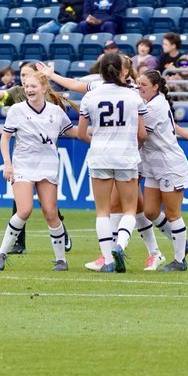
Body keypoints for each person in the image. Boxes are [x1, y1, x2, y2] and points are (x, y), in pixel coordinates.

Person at [0, 63, 79, 272]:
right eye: (26, 86)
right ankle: (1, 253)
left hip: (48, 166)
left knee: (50, 212)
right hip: (23, 165)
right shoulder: (17, 110)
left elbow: (74, 132)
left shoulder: (55, 112)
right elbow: (4, 139)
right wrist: (7, 163)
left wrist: (97, 131)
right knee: (24, 210)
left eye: (33, 86)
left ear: (43, 87)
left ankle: (61, 260)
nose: (28, 90)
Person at [76, 51, 148, 272]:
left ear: (100, 71)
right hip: (126, 157)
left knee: (102, 211)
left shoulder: (90, 96)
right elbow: (143, 134)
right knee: (129, 210)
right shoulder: (133, 96)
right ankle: (121, 245)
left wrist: (95, 141)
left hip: (99, 157)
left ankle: (107, 260)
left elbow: (81, 133)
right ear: (123, 70)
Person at [134, 69, 188, 272]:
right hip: (152, 165)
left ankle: (179, 260)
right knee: (149, 211)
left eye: (143, 85)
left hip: (169, 165)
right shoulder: (151, 102)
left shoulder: (155, 106)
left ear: (155, 87)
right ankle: (183, 242)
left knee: (172, 213)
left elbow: (140, 136)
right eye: (138, 83)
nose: (138, 87)